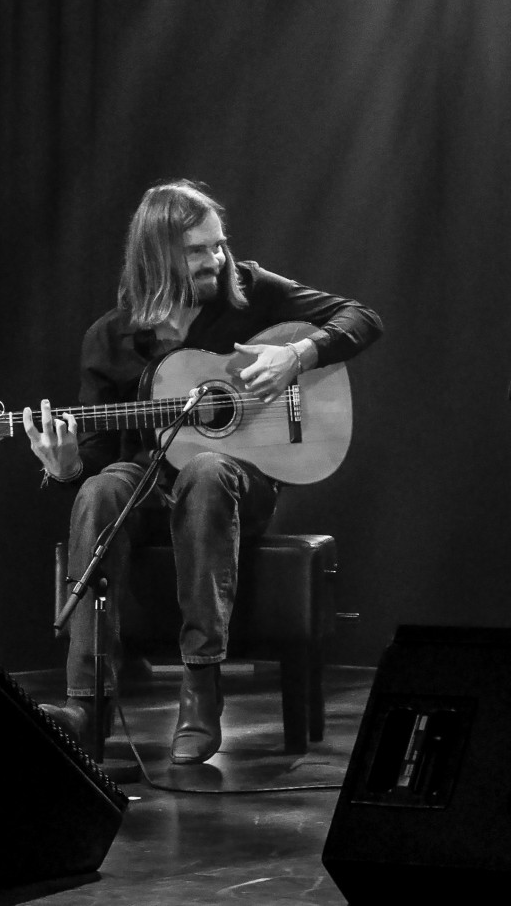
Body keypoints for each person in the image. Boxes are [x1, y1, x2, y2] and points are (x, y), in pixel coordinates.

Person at [24, 180, 382, 764]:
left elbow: (361, 318)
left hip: (237, 485)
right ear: (157, 254)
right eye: (199, 251)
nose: (217, 259)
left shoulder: (253, 293)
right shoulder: (109, 339)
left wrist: (298, 354)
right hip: (149, 485)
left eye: (219, 245)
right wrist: (65, 467)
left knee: (207, 466)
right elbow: (92, 450)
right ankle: (87, 703)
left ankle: (201, 685)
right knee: (96, 488)